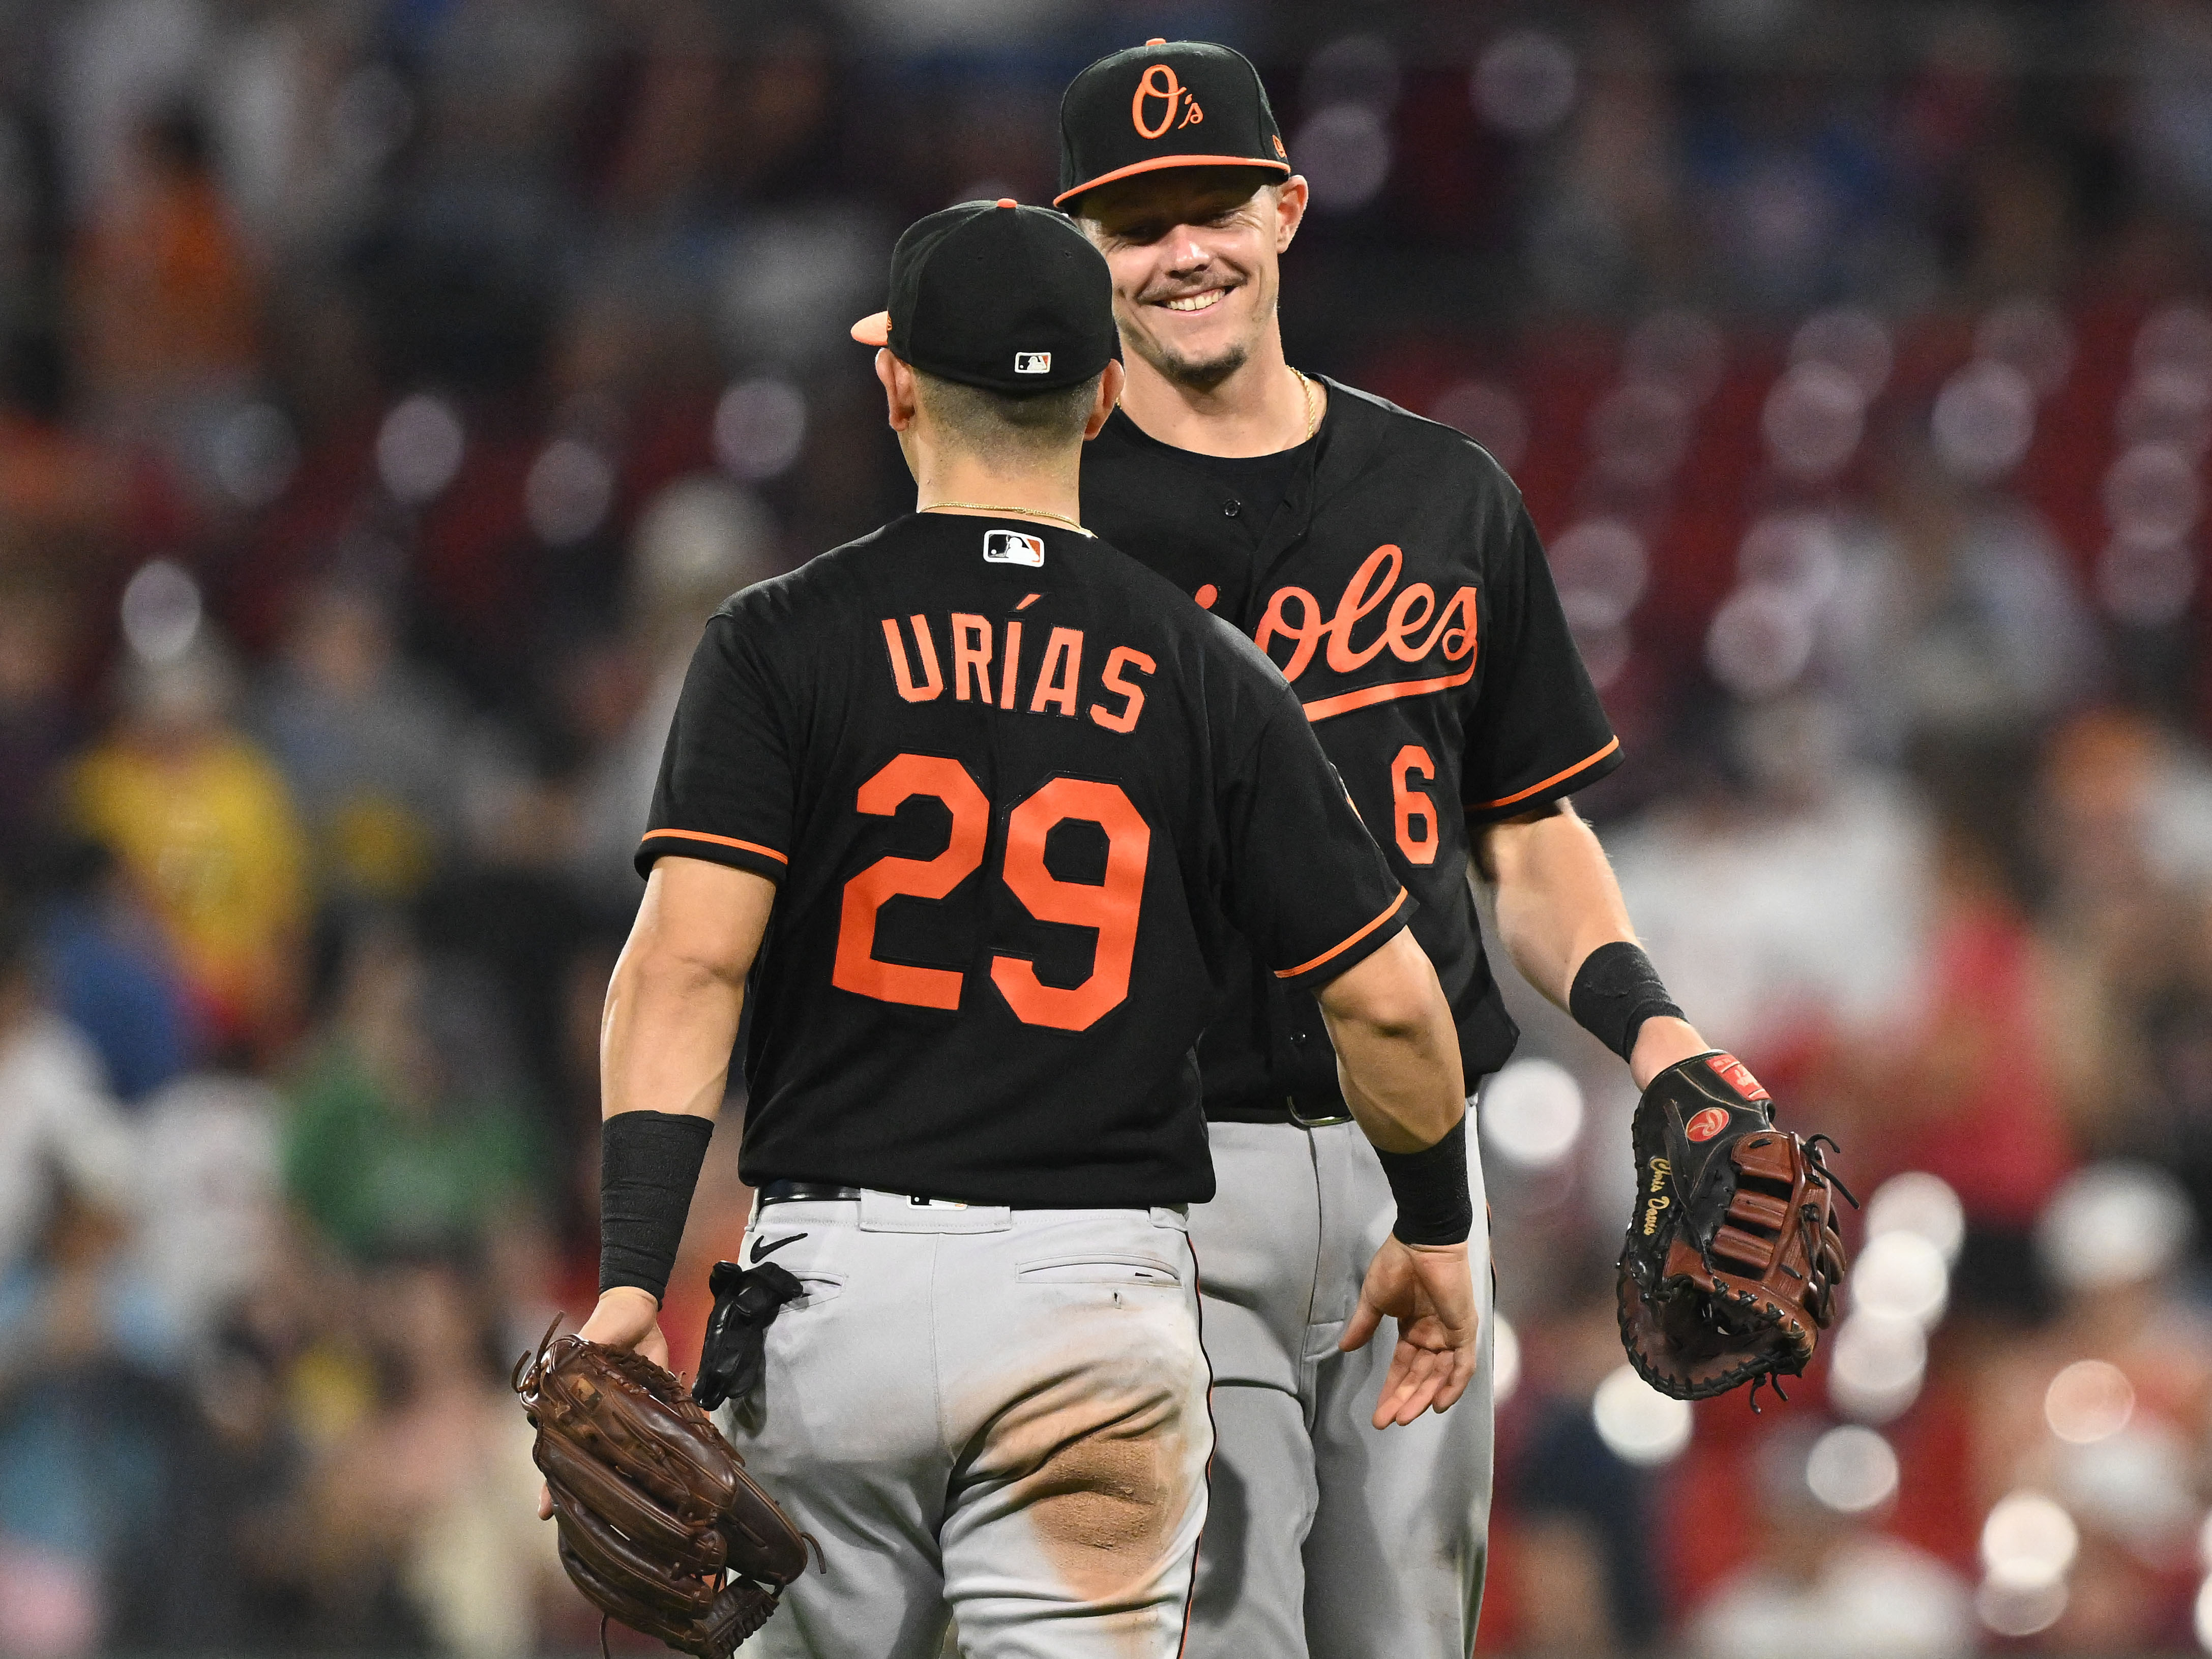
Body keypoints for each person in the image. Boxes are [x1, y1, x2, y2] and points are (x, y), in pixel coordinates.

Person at [551, 199, 1479, 1659]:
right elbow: (1389, 1009)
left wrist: (628, 1271)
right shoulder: (1207, 669)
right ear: (1110, 392)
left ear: (897, 383)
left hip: (832, 1293)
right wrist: (1433, 1222)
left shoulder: (779, 638)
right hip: (1092, 1307)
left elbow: (688, 961)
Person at [1059, 39, 1726, 1658]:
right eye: (1137, 224)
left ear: (1287, 208)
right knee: (1221, 1638)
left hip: (1414, 1170)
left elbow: (1531, 835)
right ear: (1081, 253)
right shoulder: (1048, 524)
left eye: (1214, 204)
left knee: (1413, 1638)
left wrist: (1658, 1034)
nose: (1185, 250)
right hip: (1156, 1173)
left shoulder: (1445, 495)